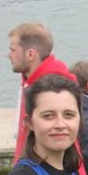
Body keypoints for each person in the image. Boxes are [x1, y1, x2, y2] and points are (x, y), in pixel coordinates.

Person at [6, 23, 75, 161]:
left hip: (43, 171)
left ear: (30, 54)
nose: (8, 55)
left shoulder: (52, 90)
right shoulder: (30, 83)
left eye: (13, 50)